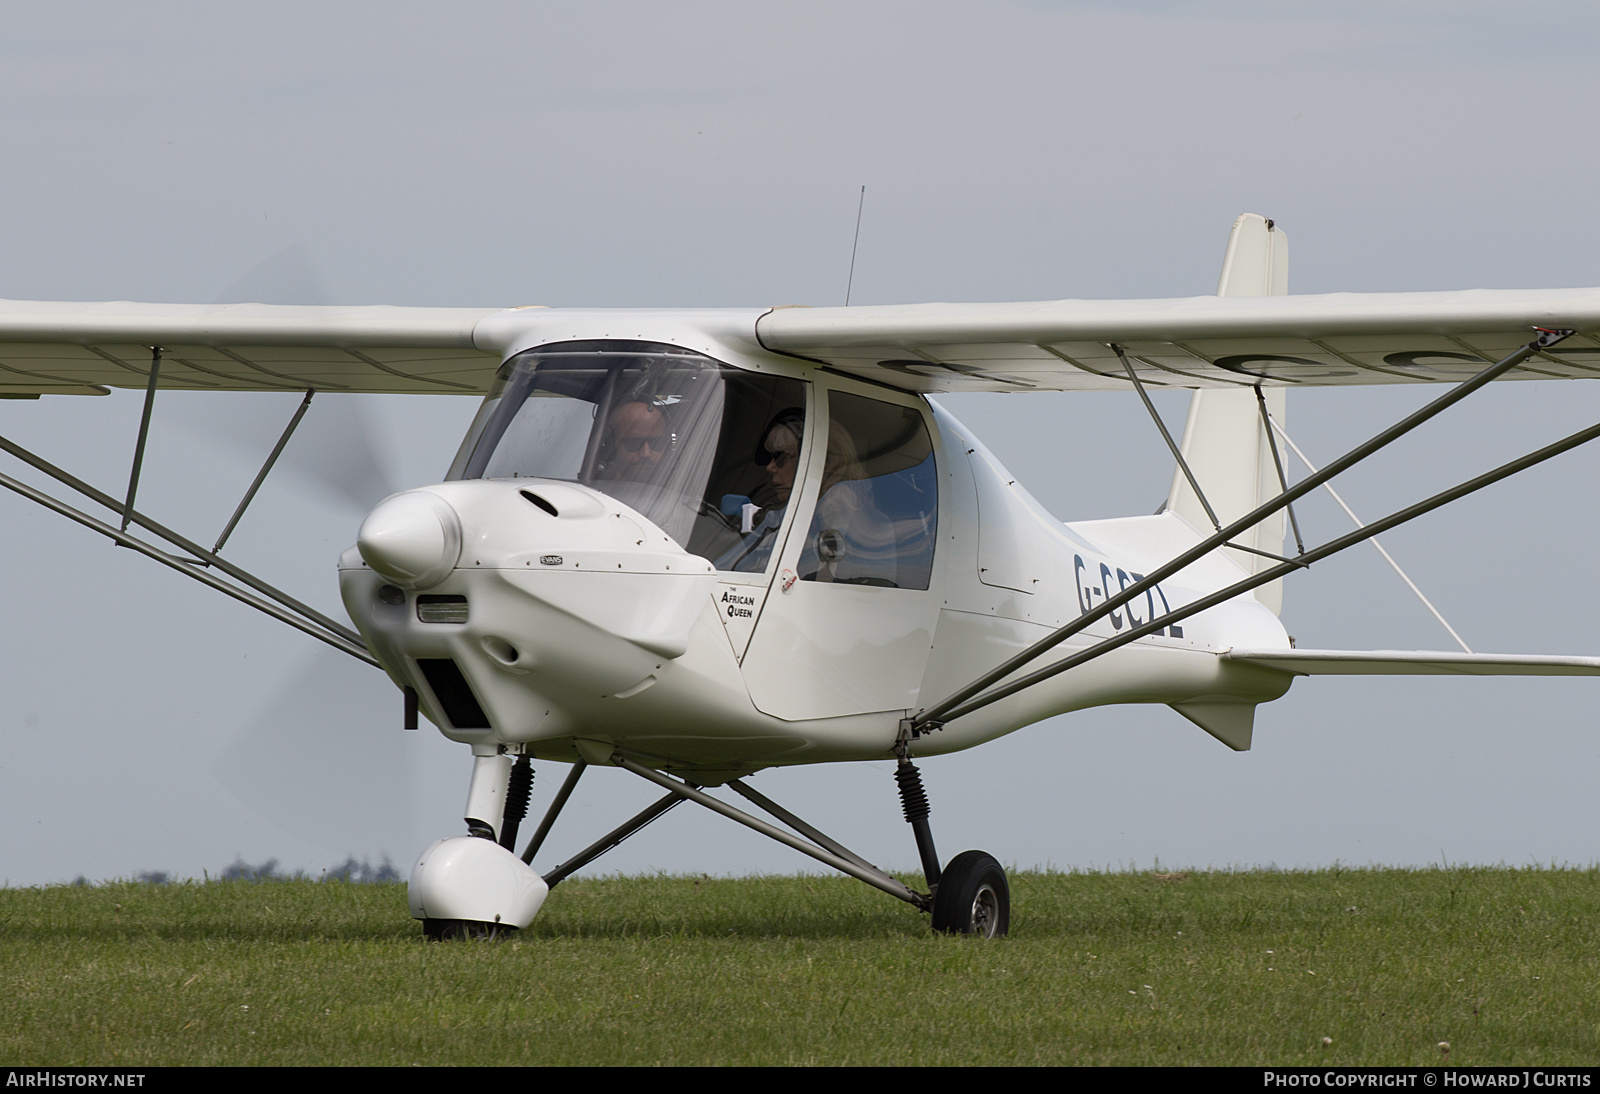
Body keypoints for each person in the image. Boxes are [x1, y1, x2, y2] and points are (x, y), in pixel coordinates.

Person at [715, 413, 803, 572]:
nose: (770, 467)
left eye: (780, 457)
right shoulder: (774, 517)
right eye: (770, 457)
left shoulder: (829, 519)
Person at [602, 399, 671, 483]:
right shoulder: (586, 493)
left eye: (656, 443)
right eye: (634, 443)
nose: (646, 454)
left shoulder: (683, 493)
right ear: (611, 445)